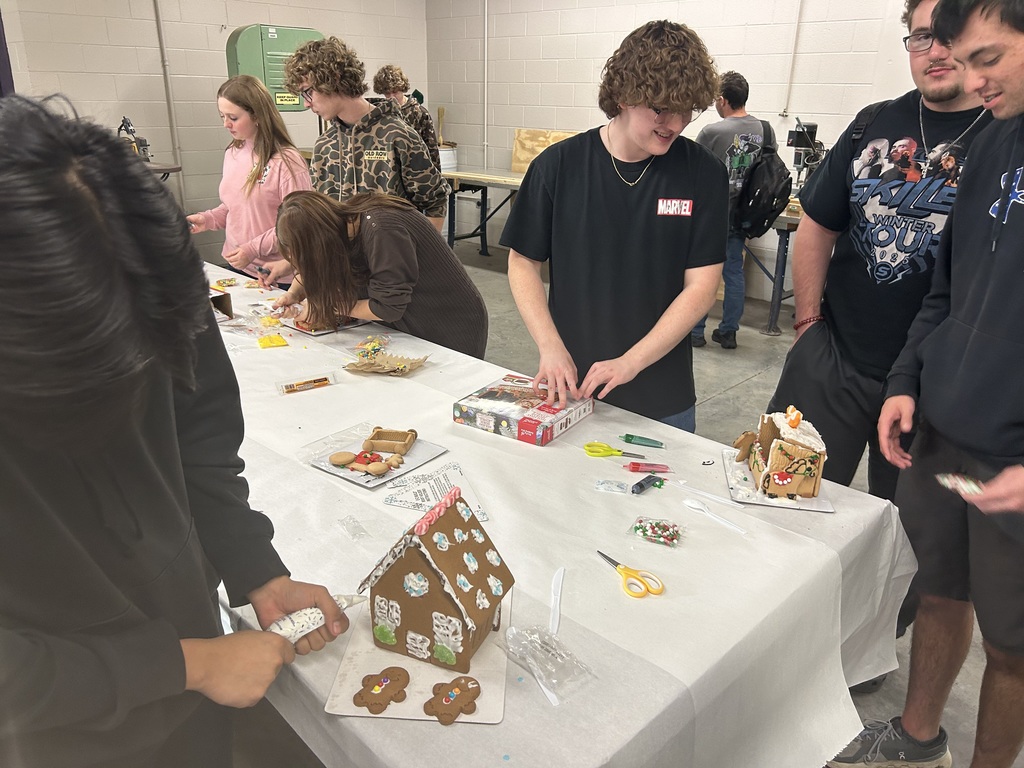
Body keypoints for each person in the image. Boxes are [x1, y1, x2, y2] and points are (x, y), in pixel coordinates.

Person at [0, 96, 347, 768]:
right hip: (52, 729)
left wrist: (252, 565)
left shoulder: (139, 256)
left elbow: (201, 439)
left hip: (186, 670)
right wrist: (177, 665)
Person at [831, 2, 1024, 765]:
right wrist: (909, 378)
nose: (971, 80)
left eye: (990, 58)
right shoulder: (994, 141)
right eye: (961, 59)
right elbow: (945, 289)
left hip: (1013, 459)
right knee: (941, 588)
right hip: (943, 427)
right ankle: (916, 738)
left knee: (1012, 647)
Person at [766, 0, 991, 509]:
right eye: (920, 37)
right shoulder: (872, 125)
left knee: (914, 547)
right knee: (786, 503)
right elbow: (818, 224)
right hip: (835, 365)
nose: (934, 51)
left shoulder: (1003, 138)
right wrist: (807, 326)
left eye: (949, 36)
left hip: (938, 391)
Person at [499, 20, 728, 432]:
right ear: (624, 95)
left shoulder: (703, 173)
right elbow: (522, 261)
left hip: (663, 395)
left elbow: (702, 287)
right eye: (660, 108)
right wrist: (549, 346)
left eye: (686, 110)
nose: (674, 123)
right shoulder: (557, 167)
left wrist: (631, 362)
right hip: (570, 386)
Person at [272, 190, 488, 358]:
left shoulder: (382, 229)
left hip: (446, 326)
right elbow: (311, 266)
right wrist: (294, 293)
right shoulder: (341, 227)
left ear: (321, 243)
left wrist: (329, 306)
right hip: (406, 326)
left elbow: (387, 307)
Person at [283, 37, 449, 233]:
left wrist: (417, 254)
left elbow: (435, 202)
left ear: (331, 79)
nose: (306, 103)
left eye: (307, 92)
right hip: (341, 260)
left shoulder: (397, 136)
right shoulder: (325, 145)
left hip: (390, 260)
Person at [186, 75, 312, 286]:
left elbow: (298, 224)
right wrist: (207, 219)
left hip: (275, 275)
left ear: (257, 116)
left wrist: (253, 248)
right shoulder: (233, 152)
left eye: (233, 118)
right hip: (239, 266)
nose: (226, 124)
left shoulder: (287, 162)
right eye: (222, 116)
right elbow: (236, 207)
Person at [691, 71, 777, 349]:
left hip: (712, 213)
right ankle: (728, 332)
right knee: (734, 273)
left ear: (723, 100)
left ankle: (695, 332)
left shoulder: (712, 132)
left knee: (700, 273)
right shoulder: (765, 129)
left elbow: (693, 170)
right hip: (745, 214)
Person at [372, 64, 442, 171]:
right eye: (387, 93)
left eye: (395, 92)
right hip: (389, 171)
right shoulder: (381, 113)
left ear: (402, 89)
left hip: (415, 170)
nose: (391, 97)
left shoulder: (419, 113)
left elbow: (432, 151)